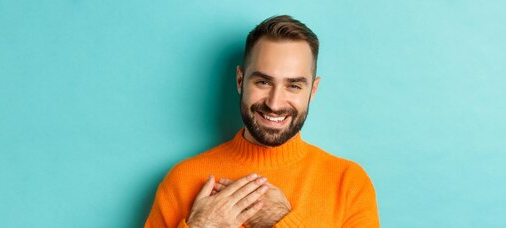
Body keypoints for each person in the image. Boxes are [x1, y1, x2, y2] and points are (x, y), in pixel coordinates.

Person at [145, 15, 379, 228]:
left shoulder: (349, 183)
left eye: (294, 86)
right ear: (240, 81)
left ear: (313, 90)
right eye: (263, 82)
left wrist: (282, 220)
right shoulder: (182, 179)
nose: (275, 103)